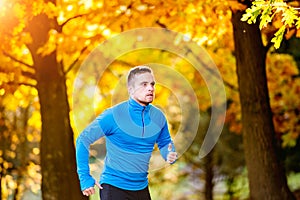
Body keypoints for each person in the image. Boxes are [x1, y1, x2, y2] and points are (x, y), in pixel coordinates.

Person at [75, 65, 178, 200]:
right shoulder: (113, 115)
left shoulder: (158, 117)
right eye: (144, 84)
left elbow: (165, 142)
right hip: (114, 188)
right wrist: (85, 178)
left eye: (152, 84)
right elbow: (83, 139)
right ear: (131, 89)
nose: (150, 88)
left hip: (141, 189)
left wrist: (169, 153)